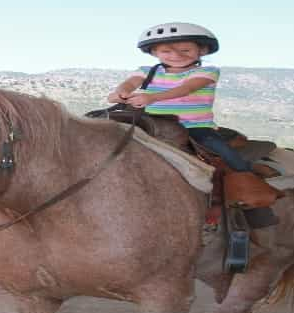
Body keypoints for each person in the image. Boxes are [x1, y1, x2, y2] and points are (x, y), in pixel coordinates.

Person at [107, 22, 281, 218]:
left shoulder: (207, 71)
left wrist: (153, 97)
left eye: (185, 50)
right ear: (155, 53)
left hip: (193, 126)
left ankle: (250, 184)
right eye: (166, 51)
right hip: (152, 123)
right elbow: (130, 83)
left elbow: (187, 88)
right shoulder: (146, 70)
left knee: (223, 152)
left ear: (202, 50)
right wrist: (120, 92)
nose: (176, 55)